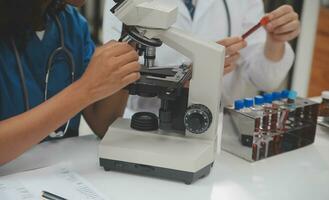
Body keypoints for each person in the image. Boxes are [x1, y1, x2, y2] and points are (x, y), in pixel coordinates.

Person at [103, 0, 300, 117]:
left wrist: (274, 41)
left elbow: (266, 79)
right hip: (145, 119)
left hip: (217, 123)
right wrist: (195, 70)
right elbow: (113, 69)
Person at [0, 0, 140, 165]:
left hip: (60, 176)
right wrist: (84, 90)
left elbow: (103, 123)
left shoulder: (70, 22)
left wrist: (133, 35)